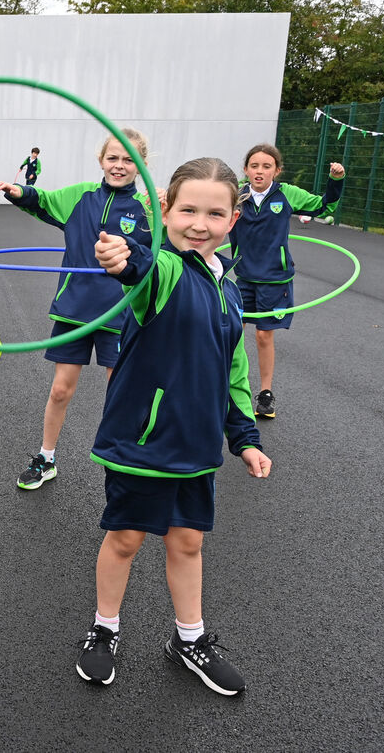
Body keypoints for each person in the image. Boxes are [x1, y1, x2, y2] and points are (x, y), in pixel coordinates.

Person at [75, 157, 272, 696]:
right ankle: (103, 629)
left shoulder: (229, 289)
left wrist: (245, 438)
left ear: (233, 219)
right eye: (187, 210)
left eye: (214, 213)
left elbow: (233, 373)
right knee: (125, 538)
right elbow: (138, 265)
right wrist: (121, 255)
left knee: (188, 542)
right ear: (165, 211)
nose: (199, 224)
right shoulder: (163, 271)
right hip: (142, 443)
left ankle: (190, 639)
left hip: (196, 447)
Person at [0, 129, 154, 491]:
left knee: (122, 393)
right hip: (74, 309)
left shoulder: (148, 209)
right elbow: (42, 199)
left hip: (120, 313)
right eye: (113, 158)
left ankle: (125, 461)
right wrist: (18, 192)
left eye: (129, 159)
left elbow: (171, 246)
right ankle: (46, 457)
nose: (119, 165)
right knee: (60, 390)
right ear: (101, 161)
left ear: (141, 165)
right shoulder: (80, 196)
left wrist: (167, 207)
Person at [231, 143, 344, 419]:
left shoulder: (287, 194)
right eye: (254, 166)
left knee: (263, 335)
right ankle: (226, 385)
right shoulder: (235, 195)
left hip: (274, 278)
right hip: (243, 276)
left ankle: (266, 394)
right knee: (229, 331)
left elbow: (323, 205)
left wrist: (336, 180)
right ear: (245, 170)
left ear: (276, 171)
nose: (260, 171)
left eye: (266, 166)